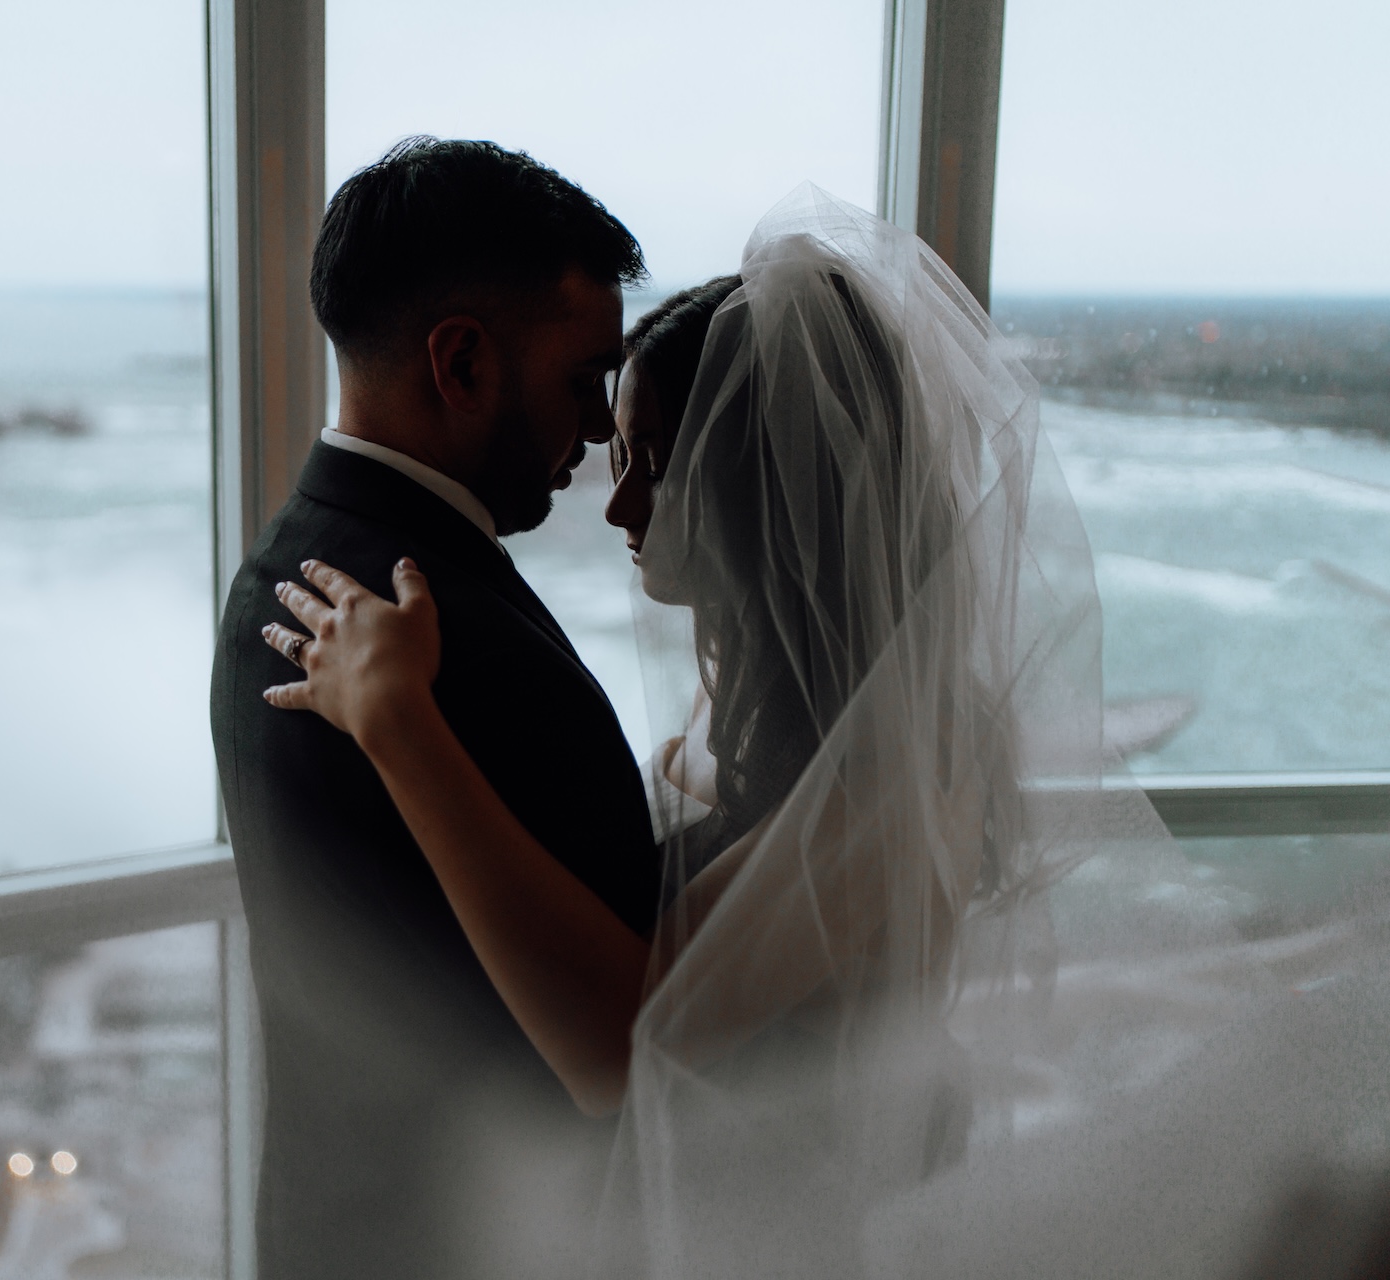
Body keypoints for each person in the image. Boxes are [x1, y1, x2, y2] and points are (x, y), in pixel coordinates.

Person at [259, 185, 1077, 1272]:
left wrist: (401, 725)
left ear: (760, 487)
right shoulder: (750, 702)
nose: (617, 503)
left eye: (650, 459)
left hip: (778, 1234)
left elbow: (622, 1042)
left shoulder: (887, 778)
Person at [208, 137, 656, 1280]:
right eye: (582, 379)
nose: (602, 427)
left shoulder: (288, 568)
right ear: (461, 363)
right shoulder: (438, 631)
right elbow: (619, 1043)